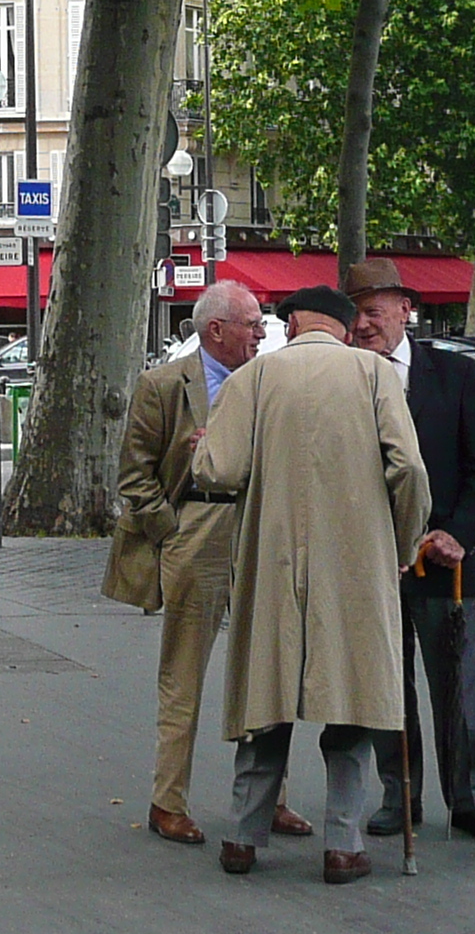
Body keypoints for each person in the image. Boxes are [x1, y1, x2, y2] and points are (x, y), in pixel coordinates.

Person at [191, 285, 448, 885]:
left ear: (292, 322)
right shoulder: (372, 374)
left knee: (266, 699)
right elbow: (408, 468)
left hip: (272, 560)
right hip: (354, 562)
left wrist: (201, 453)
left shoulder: (253, 379)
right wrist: (405, 540)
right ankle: (342, 843)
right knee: (351, 700)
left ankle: (241, 837)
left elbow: (219, 470)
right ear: (338, 324)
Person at [114, 280, 309, 848]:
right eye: (251, 323)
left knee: (267, 665)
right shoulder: (162, 385)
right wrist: (171, 531)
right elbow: (135, 474)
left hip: (257, 527)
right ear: (216, 329)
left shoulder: (269, 380)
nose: (262, 332)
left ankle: (266, 799)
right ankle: (166, 800)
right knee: (184, 673)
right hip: (195, 530)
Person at [343, 261, 475, 844]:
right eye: (356, 314)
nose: (363, 326)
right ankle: (399, 795)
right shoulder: (347, 379)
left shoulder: (456, 375)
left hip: (443, 561)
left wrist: (458, 535)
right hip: (375, 561)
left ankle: (469, 799)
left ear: (405, 309)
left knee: (457, 685)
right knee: (388, 688)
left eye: (373, 313)